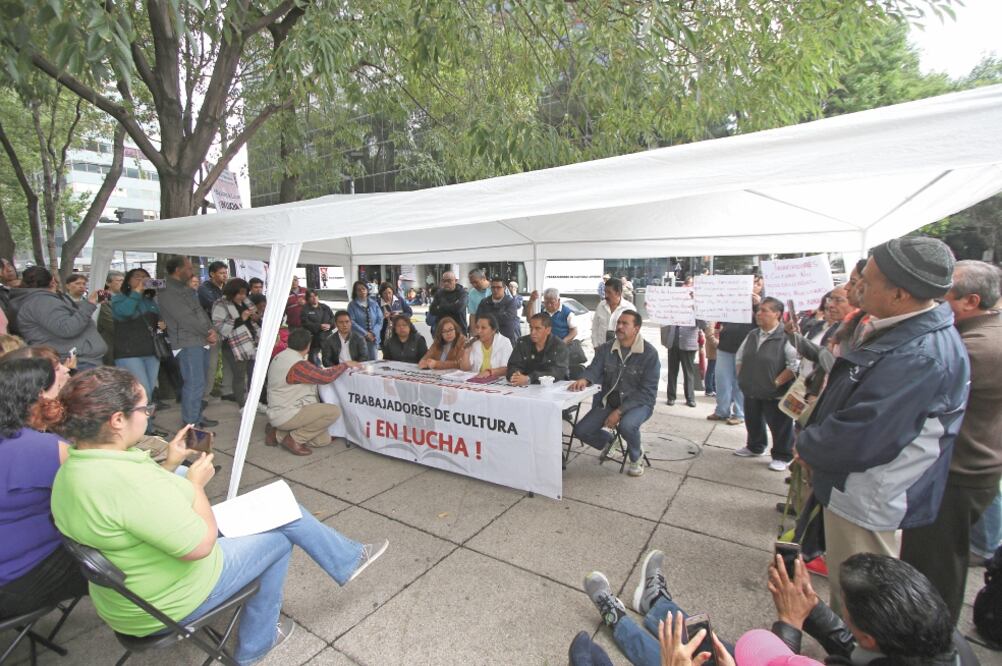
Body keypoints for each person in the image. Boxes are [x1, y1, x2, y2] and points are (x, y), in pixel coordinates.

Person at [47, 366, 388, 665]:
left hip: (128, 599)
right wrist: (195, 485)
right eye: (143, 407)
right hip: (166, 601)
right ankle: (258, 642)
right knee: (280, 537)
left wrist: (169, 464)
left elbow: (138, 512)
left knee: (281, 510)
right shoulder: (127, 481)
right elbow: (200, 546)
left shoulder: (74, 468)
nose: (148, 414)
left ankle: (347, 558)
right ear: (117, 420)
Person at [796, 237, 969, 617]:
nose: (856, 287)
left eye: (868, 281)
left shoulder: (920, 355)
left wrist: (808, 444)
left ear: (900, 294)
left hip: (868, 494)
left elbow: (864, 434)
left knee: (862, 604)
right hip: (857, 486)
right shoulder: (903, 331)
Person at [579, 549, 975, 666]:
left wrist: (789, 624)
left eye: (846, 612)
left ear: (870, 637)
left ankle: (614, 615)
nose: (841, 617)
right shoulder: (937, 641)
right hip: (767, 658)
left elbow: (778, 659)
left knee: (679, 658)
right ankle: (655, 601)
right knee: (706, 641)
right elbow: (845, 641)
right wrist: (813, 610)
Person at [900, 260, 1002, 623]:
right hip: (965, 467)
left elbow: (911, 397)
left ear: (971, 301)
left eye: (943, 293)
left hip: (957, 472)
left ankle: (928, 640)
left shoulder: (973, 348)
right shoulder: (978, 336)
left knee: (935, 568)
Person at [0, 353, 86, 620]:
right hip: (17, 581)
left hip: (11, 572)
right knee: (114, 548)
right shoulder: (40, 449)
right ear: (40, 396)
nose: (66, 377)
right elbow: (109, 493)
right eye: (57, 379)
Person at [570, 310, 658, 477]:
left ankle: (635, 455)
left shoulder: (649, 354)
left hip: (639, 404)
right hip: (609, 401)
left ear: (636, 328)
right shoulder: (606, 348)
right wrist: (585, 379)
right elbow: (594, 368)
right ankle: (611, 442)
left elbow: (647, 392)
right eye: (618, 322)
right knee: (581, 431)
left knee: (627, 426)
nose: (619, 326)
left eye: (625, 323)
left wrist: (619, 412)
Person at [266, 328, 355, 456]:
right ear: (307, 346)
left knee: (323, 440)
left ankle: (277, 434)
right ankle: (294, 439)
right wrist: (346, 365)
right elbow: (326, 377)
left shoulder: (281, 355)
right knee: (333, 411)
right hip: (287, 412)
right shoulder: (297, 364)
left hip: (279, 410)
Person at [733, 297, 797, 472]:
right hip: (751, 388)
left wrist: (775, 382)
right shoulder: (753, 334)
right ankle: (755, 446)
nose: (758, 314)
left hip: (774, 392)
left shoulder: (785, 336)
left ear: (777, 314)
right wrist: (743, 377)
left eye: (764, 310)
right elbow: (740, 357)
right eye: (758, 310)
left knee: (780, 424)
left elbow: (794, 365)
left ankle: (782, 455)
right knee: (753, 419)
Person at [157, 256, 218, 429]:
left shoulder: (184, 288)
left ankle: (196, 417)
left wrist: (210, 329)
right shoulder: (167, 290)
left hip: (199, 340)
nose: (193, 272)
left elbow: (199, 312)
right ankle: (190, 423)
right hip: (188, 342)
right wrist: (207, 332)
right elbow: (185, 318)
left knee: (199, 383)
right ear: (178, 270)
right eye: (189, 269)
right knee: (194, 383)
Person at [11, 265, 107, 370]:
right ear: (52, 281)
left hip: (75, 359)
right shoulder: (41, 301)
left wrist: (87, 304)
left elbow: (61, 316)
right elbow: (67, 328)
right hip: (75, 361)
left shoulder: (38, 301)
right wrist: (89, 304)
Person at [111, 268, 167, 419]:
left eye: (145, 277)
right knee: (141, 391)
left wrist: (162, 327)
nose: (142, 280)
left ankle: (148, 428)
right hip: (129, 352)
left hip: (151, 351)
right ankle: (140, 430)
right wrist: (137, 292)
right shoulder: (119, 299)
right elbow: (125, 312)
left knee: (149, 392)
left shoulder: (150, 301)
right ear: (128, 281)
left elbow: (156, 328)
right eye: (137, 277)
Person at [707, 282, 759, 426]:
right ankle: (721, 410)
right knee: (721, 381)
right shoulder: (730, 304)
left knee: (739, 382)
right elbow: (717, 319)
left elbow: (762, 322)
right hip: (725, 347)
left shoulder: (758, 306)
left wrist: (756, 305)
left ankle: (739, 413)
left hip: (744, 349)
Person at [211, 278, 258, 406]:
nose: (243, 296)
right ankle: (242, 405)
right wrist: (240, 319)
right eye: (240, 293)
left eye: (245, 293)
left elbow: (254, 321)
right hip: (233, 345)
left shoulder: (246, 302)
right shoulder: (221, 304)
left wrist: (255, 317)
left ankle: (253, 402)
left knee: (253, 374)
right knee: (239, 376)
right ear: (232, 292)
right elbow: (219, 327)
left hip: (251, 343)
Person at [198, 261, 233, 402]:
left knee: (228, 360)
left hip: (228, 328)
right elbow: (216, 306)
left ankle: (227, 390)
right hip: (211, 329)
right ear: (212, 274)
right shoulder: (204, 288)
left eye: (226, 273)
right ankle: (205, 394)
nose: (225, 276)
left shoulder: (227, 287)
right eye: (221, 273)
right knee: (211, 364)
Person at [506, 312, 569, 385]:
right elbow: (513, 365)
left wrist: (530, 378)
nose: (533, 332)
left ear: (548, 330)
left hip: (551, 387)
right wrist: (516, 375)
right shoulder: (522, 342)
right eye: (531, 328)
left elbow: (558, 371)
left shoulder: (559, 345)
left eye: (537, 328)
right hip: (525, 387)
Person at [660, 320, 702, 408]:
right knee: (672, 371)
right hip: (673, 342)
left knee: (688, 372)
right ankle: (671, 397)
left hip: (688, 343)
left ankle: (690, 398)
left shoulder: (695, 308)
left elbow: (704, 324)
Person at [459, 314, 513, 379]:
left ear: (493, 330)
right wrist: (466, 353)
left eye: (483, 328)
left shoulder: (504, 342)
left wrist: (489, 372)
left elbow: (508, 368)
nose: (479, 331)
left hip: (498, 382)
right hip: (477, 381)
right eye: (477, 327)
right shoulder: (473, 342)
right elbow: (465, 369)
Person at [591, 277, 635, 350]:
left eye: (609, 292)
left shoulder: (629, 309)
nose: (606, 296)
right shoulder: (601, 306)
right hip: (602, 350)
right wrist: (595, 346)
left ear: (618, 293)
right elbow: (595, 328)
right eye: (605, 292)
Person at [475, 276, 520, 346]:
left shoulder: (511, 302)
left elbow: (508, 319)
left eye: (498, 287)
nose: (495, 290)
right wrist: (499, 315)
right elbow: (478, 319)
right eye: (493, 287)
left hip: (506, 340)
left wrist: (488, 318)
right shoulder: (484, 302)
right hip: (487, 340)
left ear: (504, 288)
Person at [347, 280, 383, 361]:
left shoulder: (374, 303)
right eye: (358, 290)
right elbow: (351, 322)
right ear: (355, 292)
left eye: (363, 289)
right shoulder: (352, 305)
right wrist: (366, 334)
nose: (362, 291)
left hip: (373, 339)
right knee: (360, 363)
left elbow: (380, 319)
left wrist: (373, 333)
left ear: (367, 290)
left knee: (373, 362)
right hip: (359, 339)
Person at [96, 270, 124, 366]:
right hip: (112, 344)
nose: (122, 283)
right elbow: (111, 323)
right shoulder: (102, 298)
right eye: (119, 281)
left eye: (123, 280)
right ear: (108, 283)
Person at [428, 271, 468, 336]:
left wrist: (441, 306)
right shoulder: (439, 293)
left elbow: (459, 309)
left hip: (460, 329)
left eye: (449, 281)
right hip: (442, 331)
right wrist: (453, 306)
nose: (446, 283)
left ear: (455, 281)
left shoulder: (462, 293)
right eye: (444, 281)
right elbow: (432, 310)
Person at [300, 289, 335, 363]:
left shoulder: (325, 307)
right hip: (314, 339)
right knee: (313, 359)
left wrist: (330, 325)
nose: (314, 298)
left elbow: (333, 318)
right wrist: (319, 326)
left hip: (327, 337)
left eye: (315, 296)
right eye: (311, 296)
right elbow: (305, 323)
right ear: (307, 299)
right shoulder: (305, 310)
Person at [703, 322, 717, 397]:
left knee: (714, 370)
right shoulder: (712, 320)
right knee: (711, 369)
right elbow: (709, 335)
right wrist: (718, 344)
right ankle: (709, 389)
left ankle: (713, 388)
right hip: (713, 349)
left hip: (715, 349)